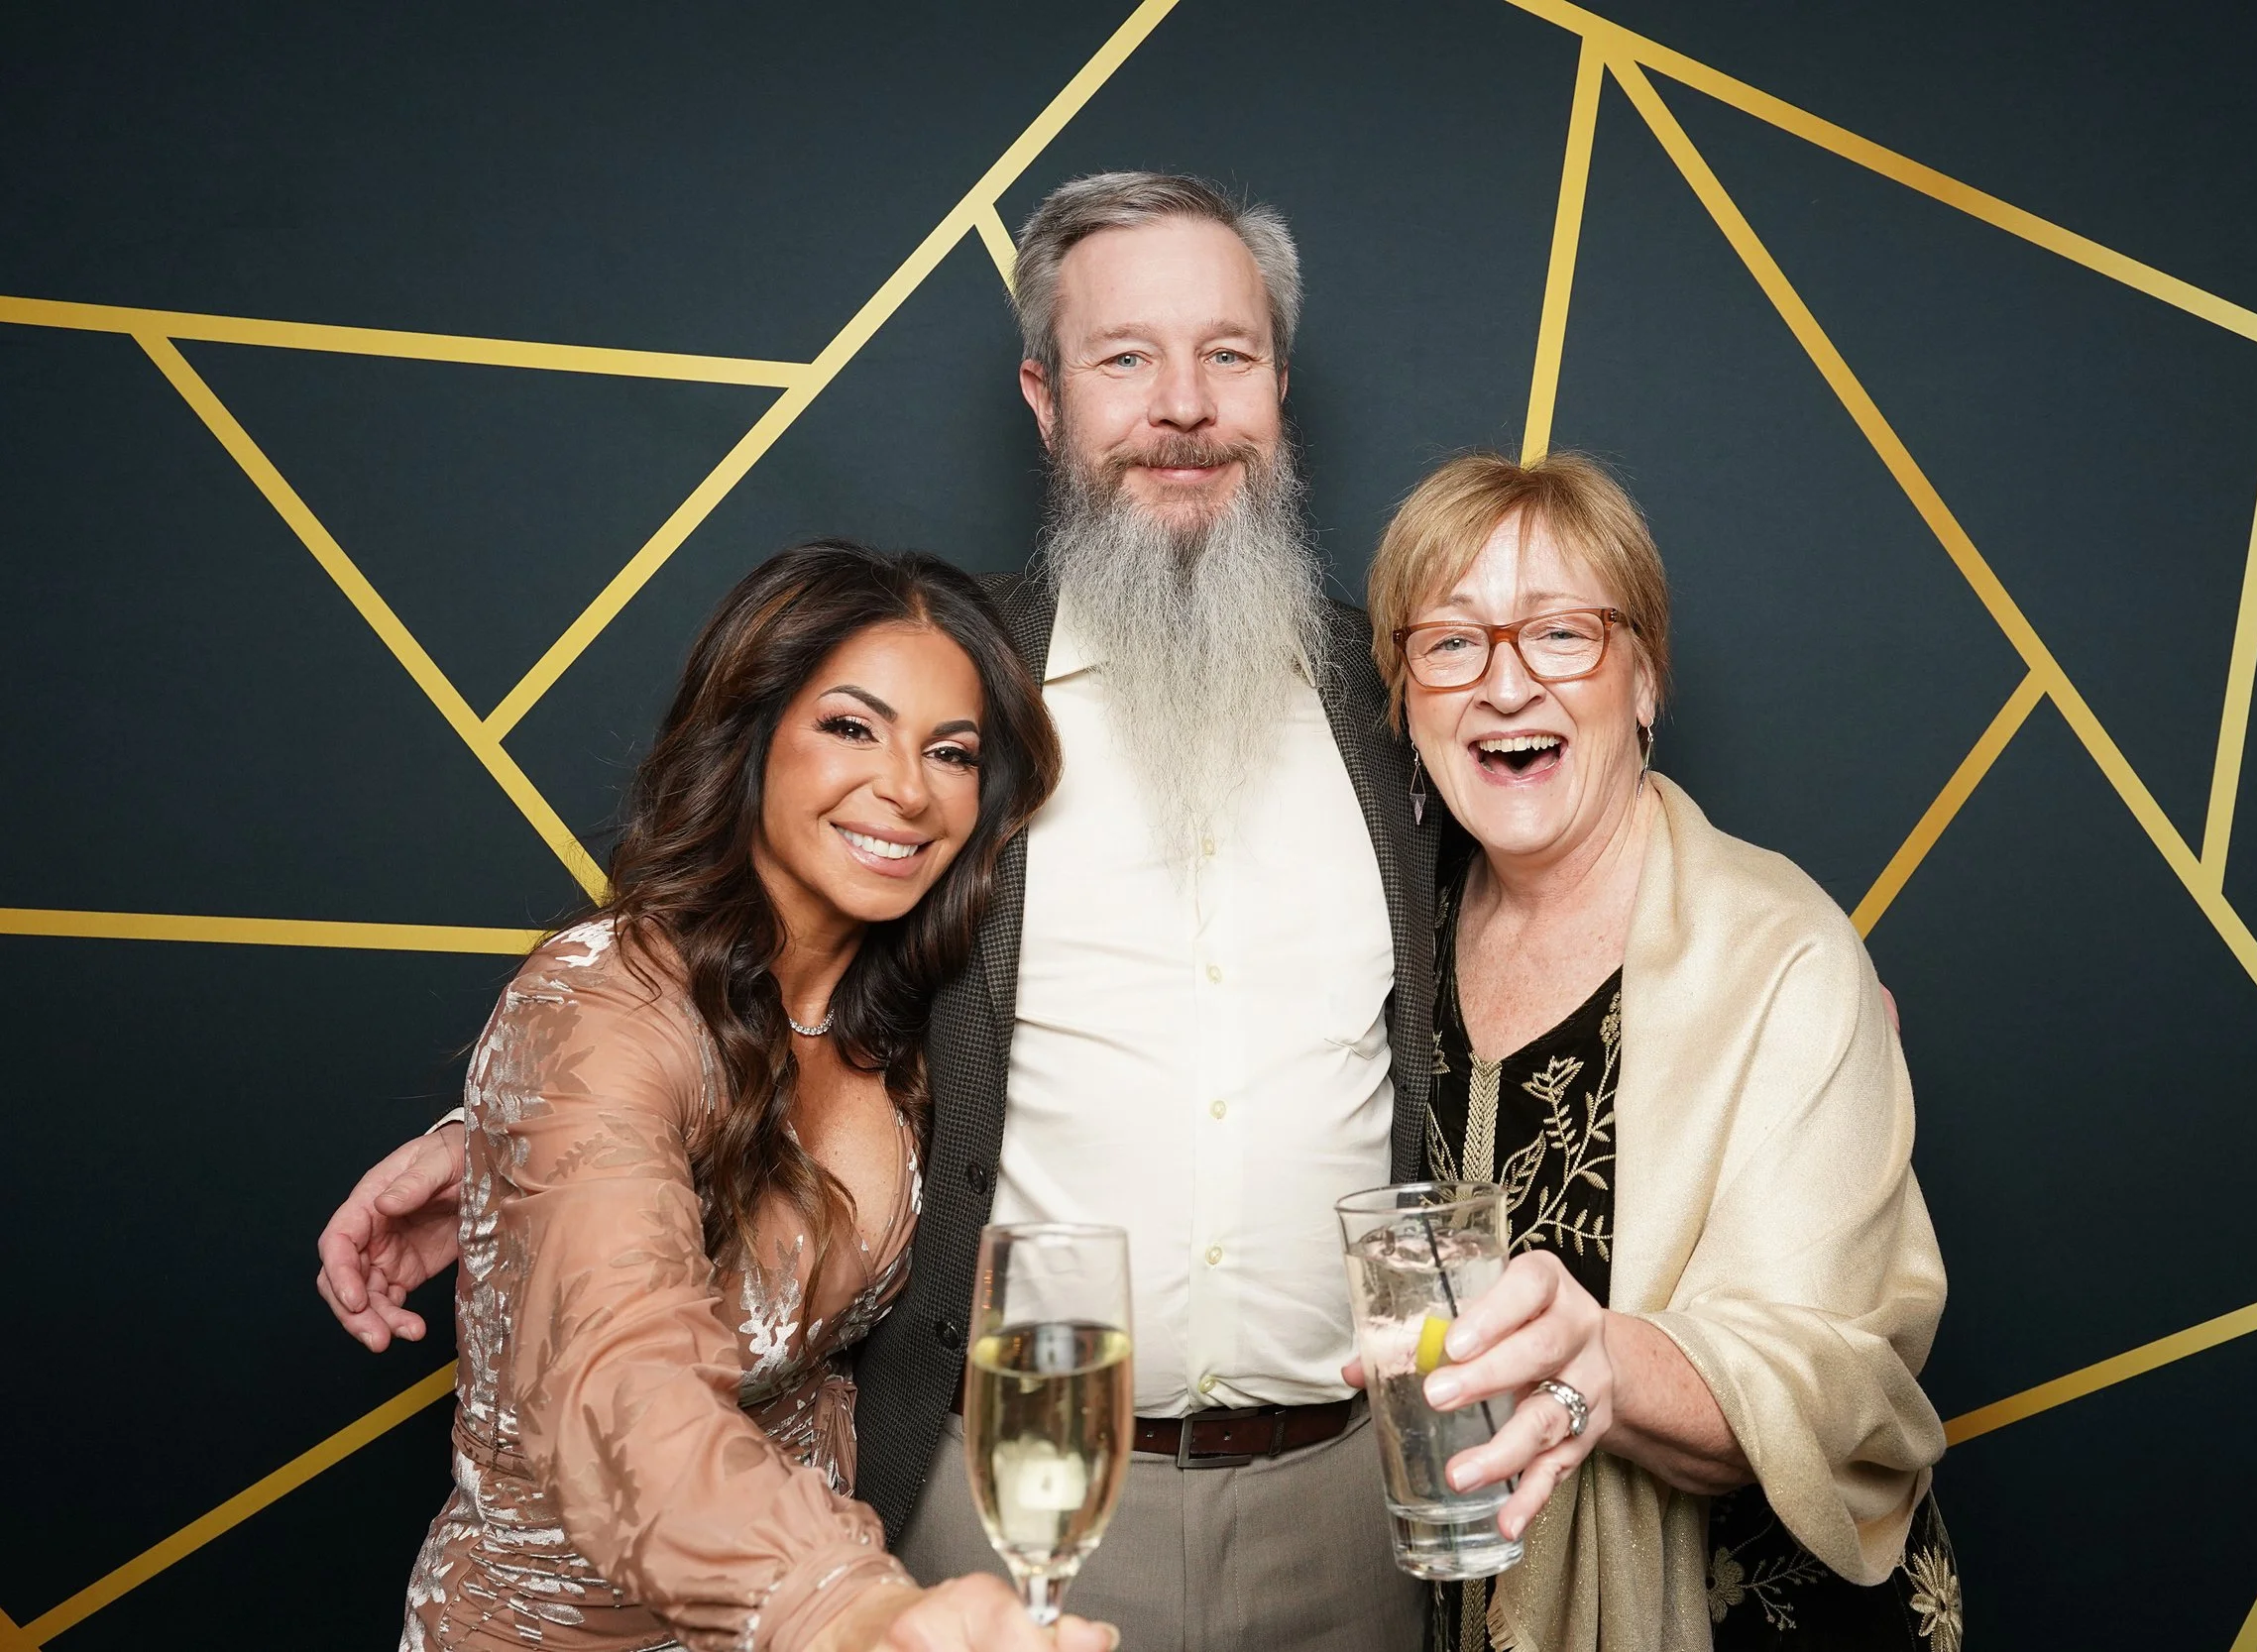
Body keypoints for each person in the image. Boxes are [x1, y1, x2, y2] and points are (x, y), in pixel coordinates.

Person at [322, 173, 1436, 1652]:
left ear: (1278, 387)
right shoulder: (953, 683)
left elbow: (1576, 817)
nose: (1183, 404)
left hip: (1345, 1503)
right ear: (1044, 396)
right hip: (1010, 1494)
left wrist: (1738, 960)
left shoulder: (1411, 696)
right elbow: (722, 962)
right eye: (1124, 358)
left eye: (1227, 354)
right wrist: (521, 1132)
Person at [393, 540, 1114, 1652]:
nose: (907, 788)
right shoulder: (602, 1002)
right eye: (850, 726)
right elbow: (620, 1382)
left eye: (952, 751)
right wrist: (850, 1607)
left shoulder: (910, 1015)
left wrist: (480, 1146)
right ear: (750, 733)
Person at [1357, 451, 1959, 1652]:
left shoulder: (1781, 948)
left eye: (1562, 632)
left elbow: (1833, 1375)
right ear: (1404, 695)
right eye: (1452, 643)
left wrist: (1608, 1364)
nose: (1504, 684)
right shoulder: (1381, 937)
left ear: (1643, 679)